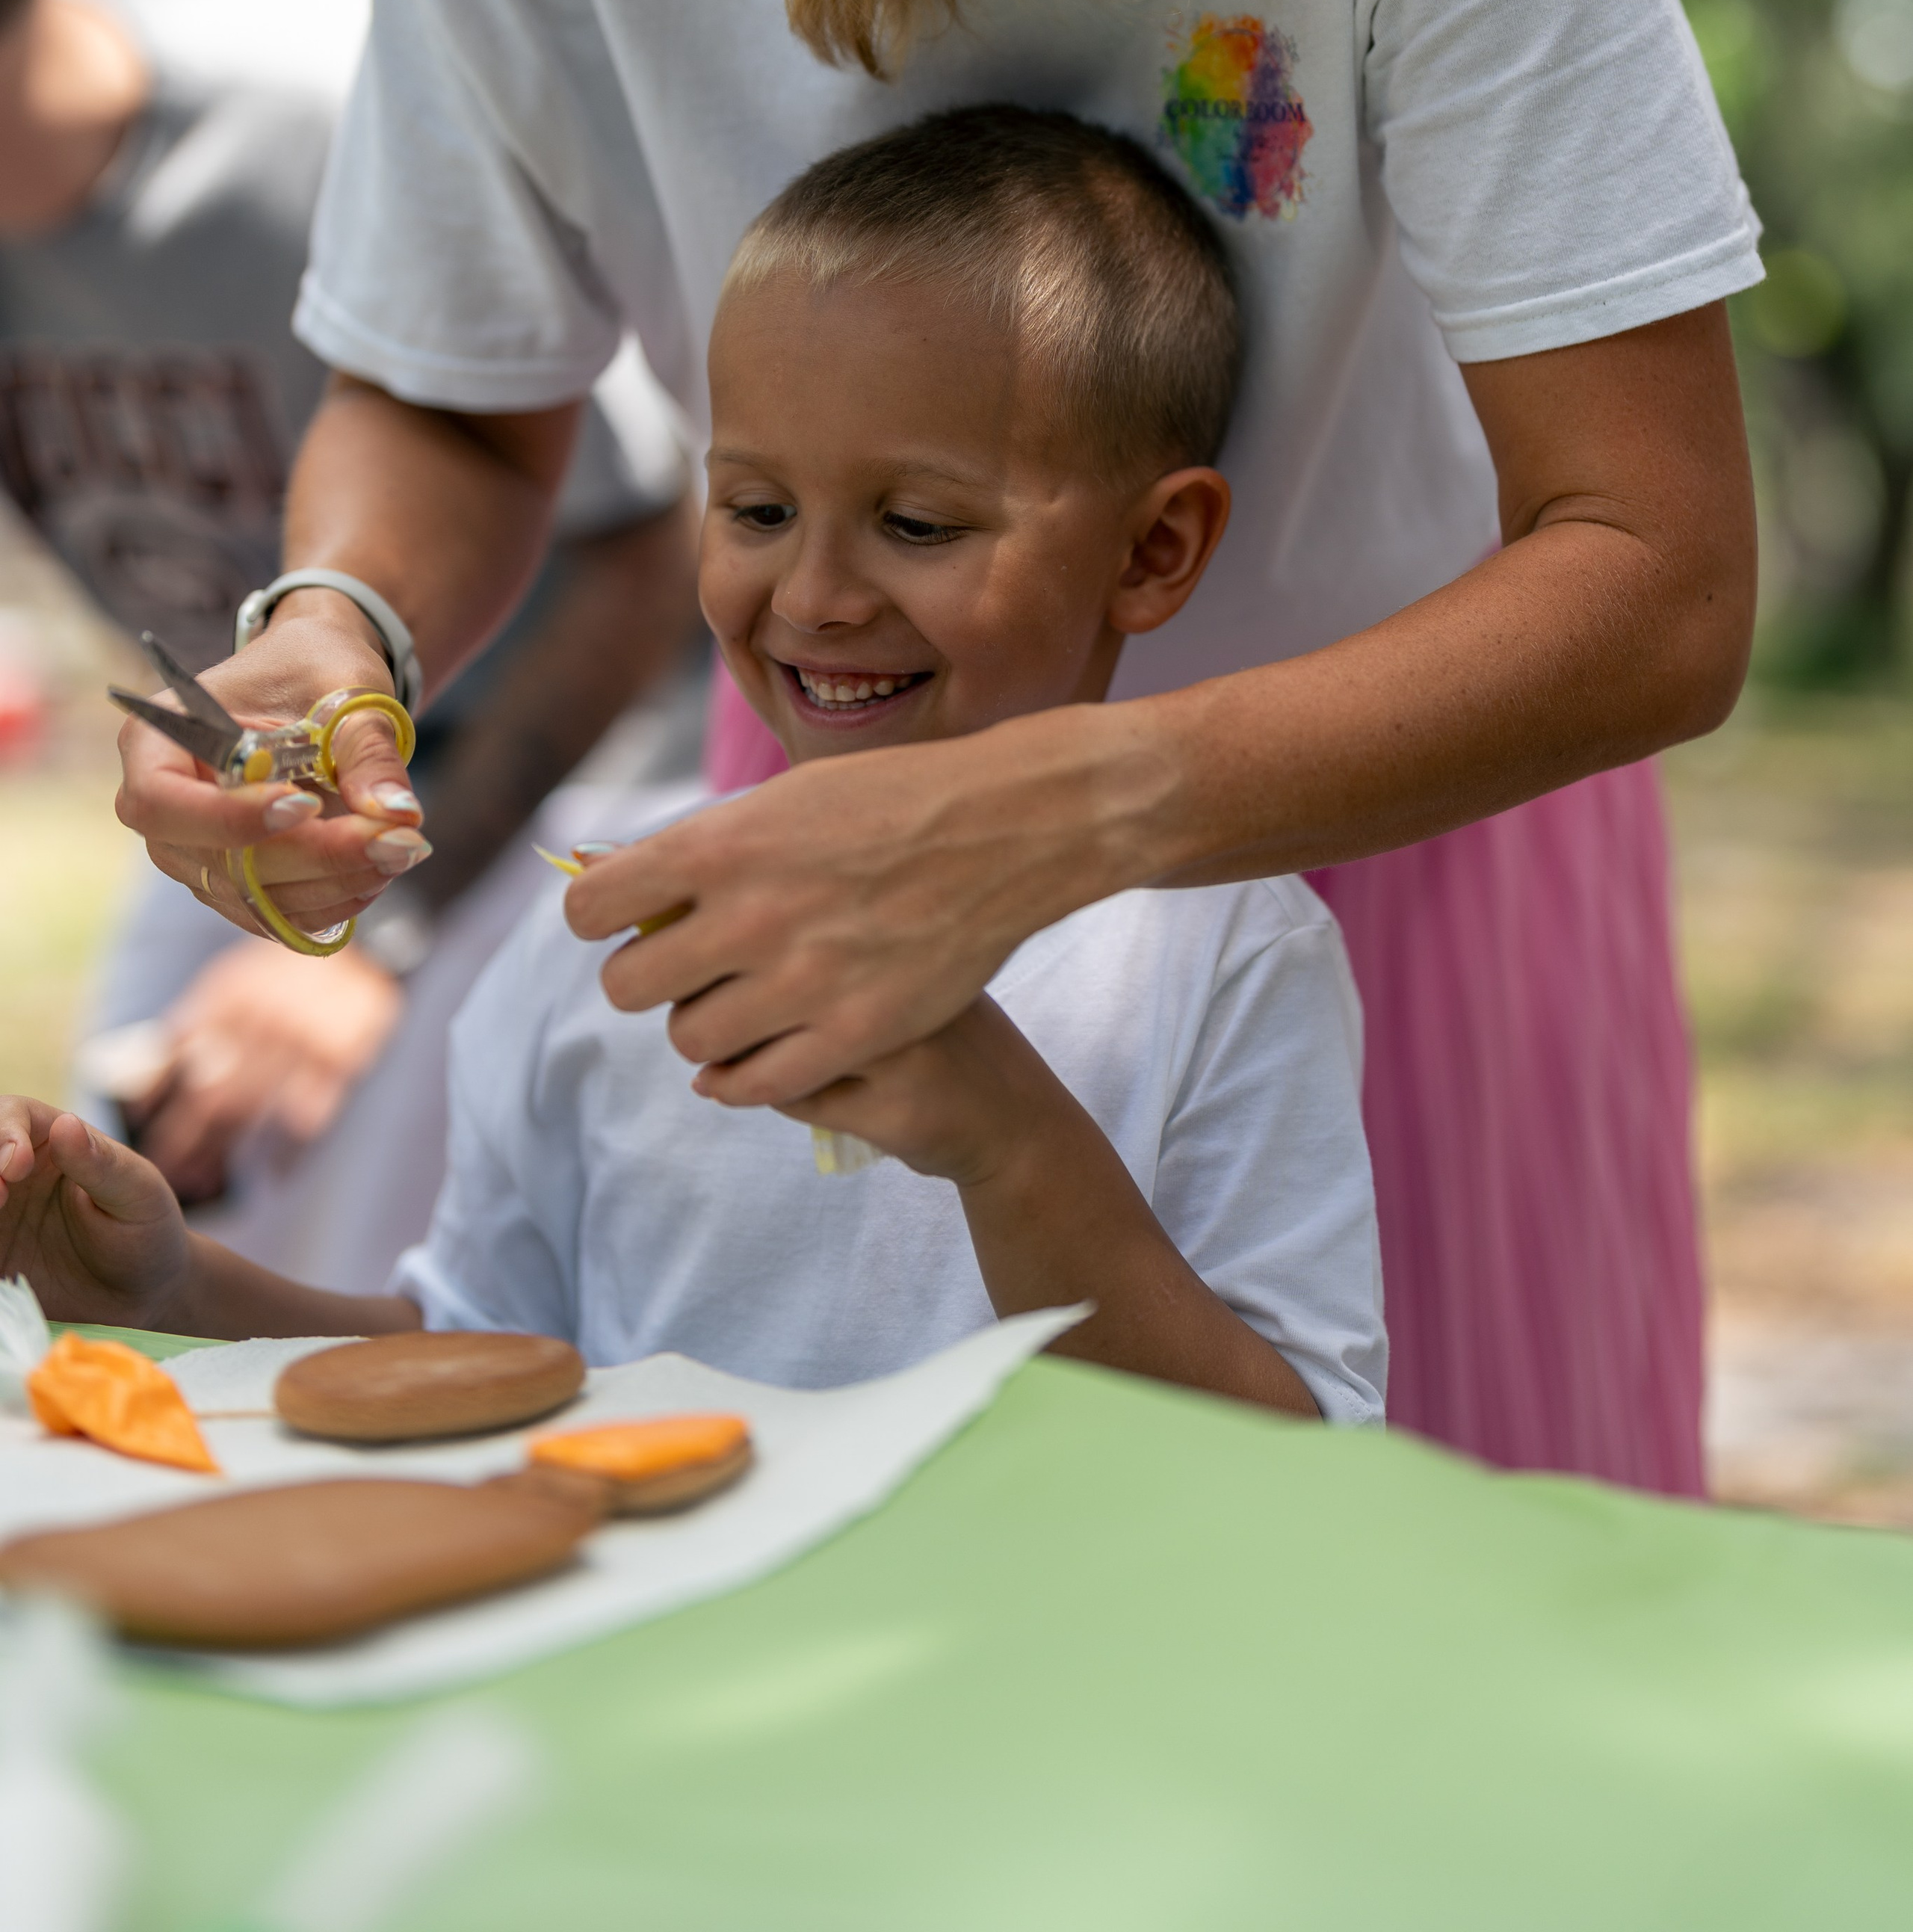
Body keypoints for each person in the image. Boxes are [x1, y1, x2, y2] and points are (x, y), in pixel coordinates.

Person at [113, 0, 1760, 1490]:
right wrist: (336, 630)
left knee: (1415, 1631)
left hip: (1404, 826)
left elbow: (1659, 570)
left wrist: (1053, 818)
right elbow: (461, 386)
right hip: (830, 826)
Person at [1, 108, 1385, 1422]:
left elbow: (1294, 1459)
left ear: (1152, 550)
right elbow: (486, 1358)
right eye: (760, 510)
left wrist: (1008, 1141)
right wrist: (170, 1296)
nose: (816, 596)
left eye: (916, 524)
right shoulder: (595, 933)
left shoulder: (1224, 949)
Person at [0, 0, 703, 1287]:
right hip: (280, 769)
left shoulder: (318, 105)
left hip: (586, 767)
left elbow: (646, 544)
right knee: (98, 1228)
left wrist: (387, 939)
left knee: (355, 1251)